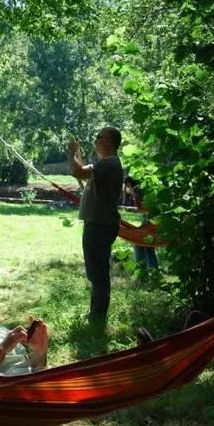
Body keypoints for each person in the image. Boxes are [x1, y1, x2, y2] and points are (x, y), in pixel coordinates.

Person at [67, 126, 124, 322]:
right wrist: (79, 154)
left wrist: (73, 152)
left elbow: (77, 171)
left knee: (98, 272)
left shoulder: (109, 165)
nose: (95, 140)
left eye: (98, 137)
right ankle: (96, 312)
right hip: (99, 224)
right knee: (97, 270)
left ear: (107, 141)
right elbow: (83, 170)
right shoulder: (106, 165)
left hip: (99, 225)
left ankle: (98, 315)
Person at [125, 174, 159, 270]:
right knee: (149, 247)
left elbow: (139, 207)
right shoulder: (144, 187)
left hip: (148, 220)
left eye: (127, 186)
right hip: (153, 219)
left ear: (128, 183)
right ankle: (154, 270)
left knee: (139, 244)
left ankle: (141, 271)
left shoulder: (136, 189)